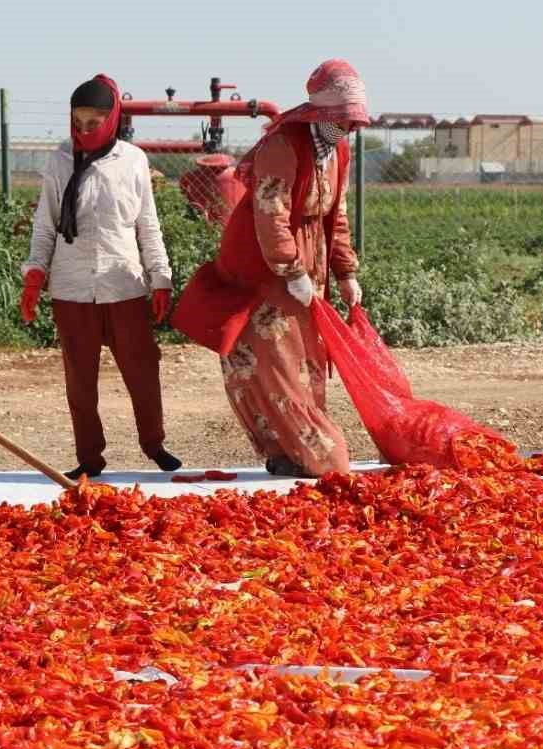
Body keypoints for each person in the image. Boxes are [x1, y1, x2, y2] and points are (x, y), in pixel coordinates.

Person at [171, 59, 367, 478]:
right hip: (263, 266)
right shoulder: (284, 145)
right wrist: (290, 270)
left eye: (353, 122)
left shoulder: (338, 150)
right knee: (273, 362)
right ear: (322, 115)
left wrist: (346, 272)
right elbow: (270, 212)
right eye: (343, 121)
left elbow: (338, 214)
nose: (350, 130)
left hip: (309, 263)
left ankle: (296, 451)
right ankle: (301, 451)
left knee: (306, 360)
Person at [21, 74, 181, 481]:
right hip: (73, 286)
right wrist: (35, 274)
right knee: (80, 378)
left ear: (112, 120)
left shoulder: (133, 160)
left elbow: (148, 225)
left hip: (124, 281)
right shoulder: (60, 159)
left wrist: (160, 277)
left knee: (142, 369)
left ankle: (155, 444)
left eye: (95, 122)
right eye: (79, 122)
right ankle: (89, 458)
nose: (86, 130)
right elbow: (46, 225)